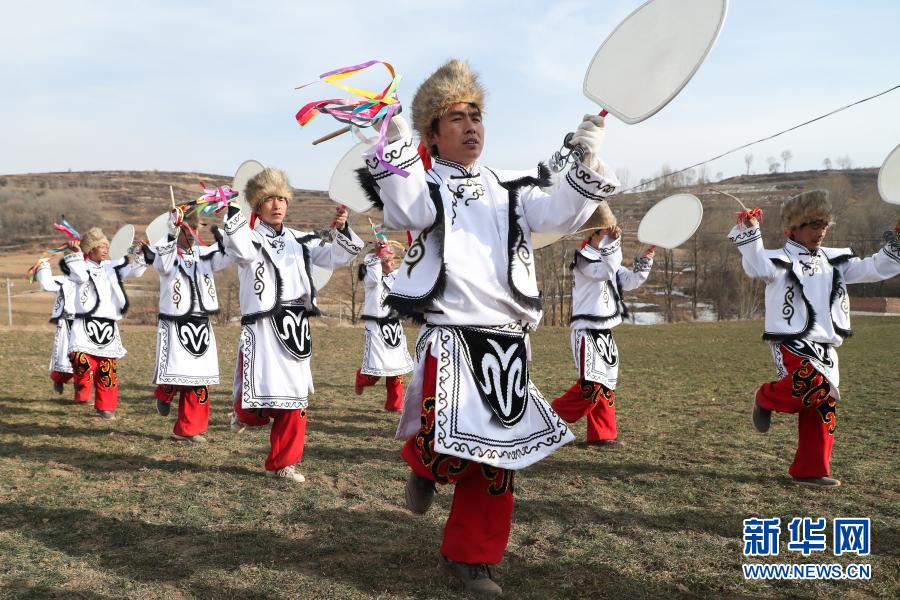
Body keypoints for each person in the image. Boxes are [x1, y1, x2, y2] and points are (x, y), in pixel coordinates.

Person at [357, 59, 620, 596]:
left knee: (498, 461)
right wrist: (397, 138)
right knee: (451, 447)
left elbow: (563, 215)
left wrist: (587, 150)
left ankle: (469, 559)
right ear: (434, 131)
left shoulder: (511, 190)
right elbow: (403, 207)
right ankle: (425, 464)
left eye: (476, 115)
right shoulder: (425, 186)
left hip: (507, 342)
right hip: (451, 339)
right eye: (456, 118)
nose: (471, 125)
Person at [731, 190, 900, 488]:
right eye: (812, 225)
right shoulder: (778, 260)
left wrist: (897, 246)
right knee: (811, 386)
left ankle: (809, 471)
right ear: (791, 229)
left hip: (826, 347)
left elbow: (873, 268)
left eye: (823, 225)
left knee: (822, 408)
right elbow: (755, 265)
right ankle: (765, 396)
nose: (819, 232)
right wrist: (751, 231)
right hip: (791, 342)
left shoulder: (836, 260)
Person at [223, 167, 362, 482]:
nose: (277, 205)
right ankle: (243, 413)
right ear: (257, 206)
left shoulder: (301, 239)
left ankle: (283, 463)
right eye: (269, 200)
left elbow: (336, 257)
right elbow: (240, 247)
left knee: (295, 397)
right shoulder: (249, 237)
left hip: (296, 327)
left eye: (281, 199)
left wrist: (343, 229)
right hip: (262, 325)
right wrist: (233, 210)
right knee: (257, 394)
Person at [551, 203, 654, 448]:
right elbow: (605, 271)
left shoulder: (606, 257)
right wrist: (614, 245)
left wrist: (644, 261)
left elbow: (628, 281)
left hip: (604, 331)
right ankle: (548, 417)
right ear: (592, 234)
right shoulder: (583, 259)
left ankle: (602, 435)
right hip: (586, 329)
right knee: (592, 385)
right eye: (603, 232)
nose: (608, 235)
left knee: (606, 385)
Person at [144, 208, 233, 442]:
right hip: (175, 320)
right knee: (176, 372)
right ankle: (164, 394)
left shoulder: (204, 253)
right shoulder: (167, 252)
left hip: (201, 321)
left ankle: (188, 429)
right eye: (188, 228)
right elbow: (162, 266)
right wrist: (172, 232)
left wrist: (231, 227)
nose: (192, 232)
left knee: (199, 378)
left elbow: (228, 255)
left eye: (195, 228)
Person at [63, 227, 147, 419]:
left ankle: (105, 407)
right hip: (85, 322)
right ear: (90, 249)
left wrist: (141, 255)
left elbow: (135, 272)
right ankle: (82, 382)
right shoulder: (79, 266)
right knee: (81, 360)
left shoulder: (111, 267)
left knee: (107, 368)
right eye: (101, 246)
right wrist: (76, 254)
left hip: (108, 324)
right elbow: (81, 276)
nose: (105, 249)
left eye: (106, 246)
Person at [354, 237, 413, 411]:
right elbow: (372, 272)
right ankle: (362, 378)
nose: (392, 264)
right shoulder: (371, 280)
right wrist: (377, 255)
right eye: (388, 261)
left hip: (394, 328)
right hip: (377, 329)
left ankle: (394, 405)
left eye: (393, 260)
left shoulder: (396, 277)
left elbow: (411, 272)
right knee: (377, 370)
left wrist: (415, 253)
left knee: (397, 370)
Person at [34, 258, 77, 394]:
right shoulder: (63, 280)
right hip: (67, 322)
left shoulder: (93, 277)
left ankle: (83, 392)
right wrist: (43, 265)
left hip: (88, 322)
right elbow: (47, 284)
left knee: (88, 356)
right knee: (65, 355)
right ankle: (59, 379)